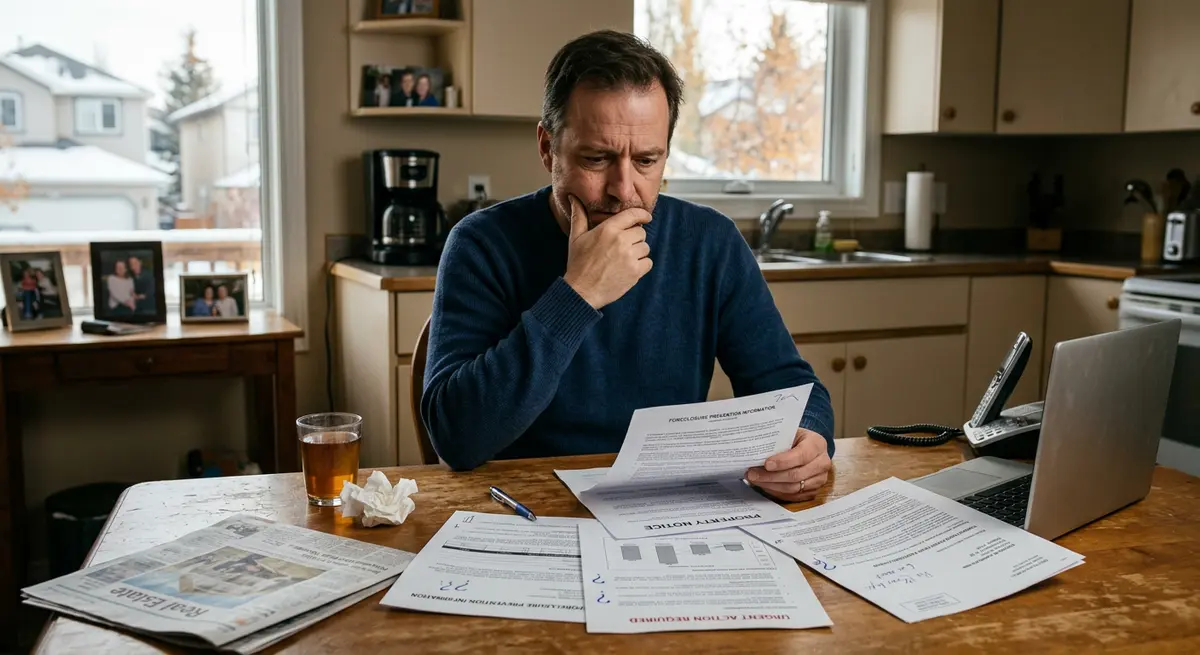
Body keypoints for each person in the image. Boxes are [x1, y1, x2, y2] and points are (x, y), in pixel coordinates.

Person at [422, 30, 834, 502]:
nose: (624, 189)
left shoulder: (710, 241)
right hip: (525, 508)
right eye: (597, 158)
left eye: (646, 160)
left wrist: (811, 437)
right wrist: (577, 295)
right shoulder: (481, 244)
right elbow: (456, 439)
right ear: (546, 147)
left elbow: (793, 387)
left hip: (667, 506)